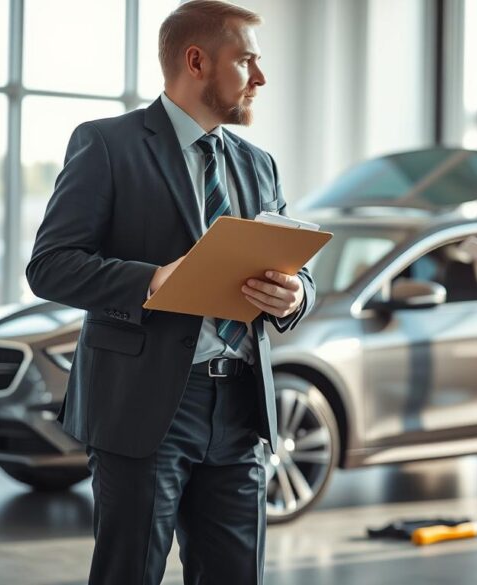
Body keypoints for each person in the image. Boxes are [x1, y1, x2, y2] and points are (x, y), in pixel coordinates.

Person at [25, 2, 315, 583]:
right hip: (145, 406)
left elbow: (295, 266)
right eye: (247, 61)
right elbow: (50, 266)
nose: (260, 78)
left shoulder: (259, 165)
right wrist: (153, 279)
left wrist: (295, 296)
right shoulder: (107, 144)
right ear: (196, 61)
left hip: (240, 411)